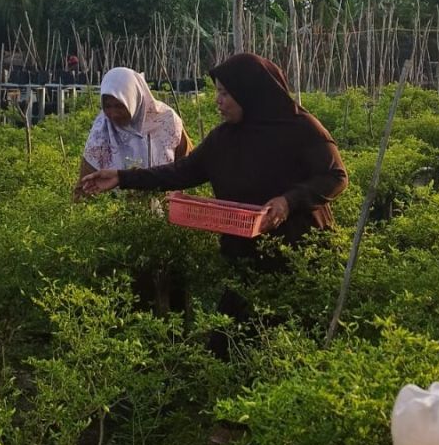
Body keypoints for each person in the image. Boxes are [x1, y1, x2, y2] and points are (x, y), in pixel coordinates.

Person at [78, 53, 348, 358]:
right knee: (228, 348)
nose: (217, 101)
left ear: (250, 92)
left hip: (298, 257)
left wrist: (288, 201)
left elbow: (335, 176)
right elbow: (180, 171)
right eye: (217, 92)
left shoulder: (301, 128)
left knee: (295, 346)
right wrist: (122, 178)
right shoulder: (223, 139)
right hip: (245, 257)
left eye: (224, 93)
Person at [79, 67, 190, 178]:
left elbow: (188, 167)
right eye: (107, 106)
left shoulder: (167, 121)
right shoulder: (101, 130)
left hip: (163, 193)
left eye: (119, 106)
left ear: (134, 99)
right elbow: (87, 183)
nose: (113, 114)